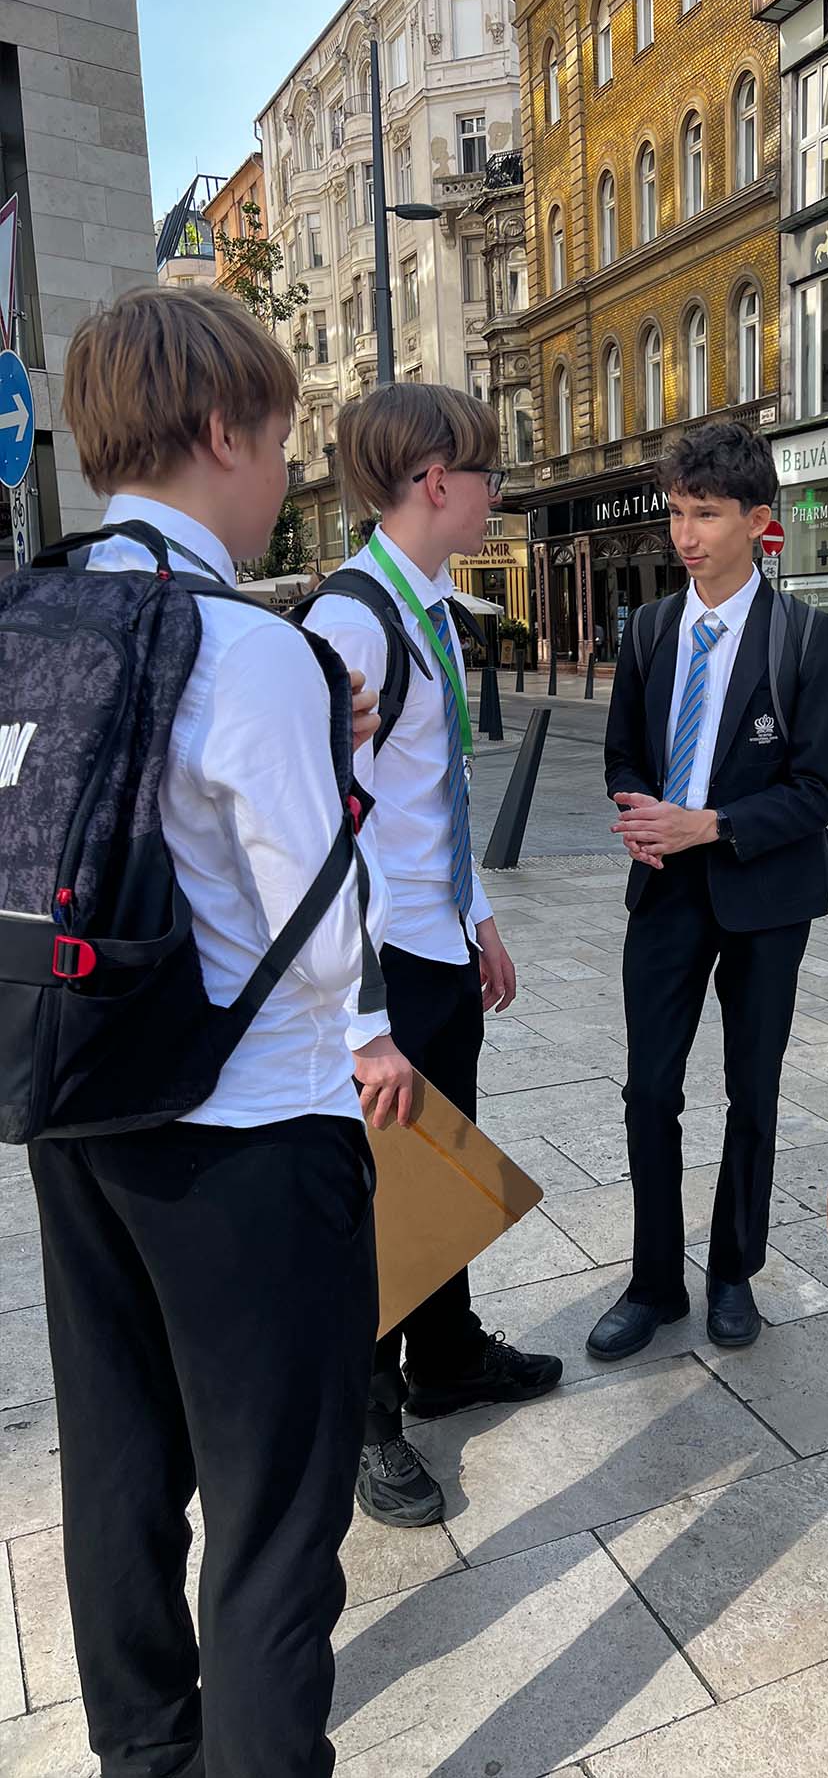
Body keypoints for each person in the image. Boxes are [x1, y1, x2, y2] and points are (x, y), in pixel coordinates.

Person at [28, 286, 391, 1776]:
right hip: (248, 1136)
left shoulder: (37, 607)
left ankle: (147, 1755)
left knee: (118, 1463)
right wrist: (332, 757)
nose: (285, 482)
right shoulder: (247, 646)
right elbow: (324, 938)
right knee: (272, 1513)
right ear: (223, 430)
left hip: (73, 1103)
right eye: (283, 445)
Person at [302, 382, 561, 1530]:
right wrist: (363, 1023)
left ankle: (445, 1354)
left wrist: (476, 920)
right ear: (434, 480)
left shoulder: (429, 605)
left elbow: (426, 792)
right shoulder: (349, 621)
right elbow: (323, 831)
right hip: (383, 969)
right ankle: (365, 1417)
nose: (498, 491)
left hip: (434, 942)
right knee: (381, 1197)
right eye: (488, 471)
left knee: (443, 1163)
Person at [592, 422, 828, 1360]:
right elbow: (623, 748)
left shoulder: (804, 638)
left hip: (762, 896)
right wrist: (641, 809)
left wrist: (716, 824)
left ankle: (733, 1270)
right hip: (664, 888)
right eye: (676, 512)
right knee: (647, 1091)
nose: (686, 534)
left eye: (705, 514)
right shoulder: (652, 628)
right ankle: (653, 1281)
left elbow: (818, 790)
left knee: (753, 1089)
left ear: (758, 521)